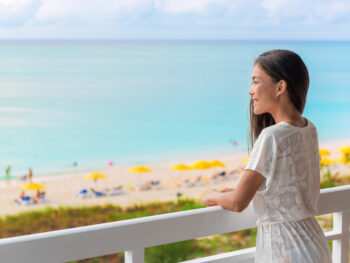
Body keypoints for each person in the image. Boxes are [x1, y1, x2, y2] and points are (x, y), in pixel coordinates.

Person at [201, 50, 331, 262]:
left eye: (256, 82)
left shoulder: (272, 136)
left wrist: (212, 195)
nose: (250, 91)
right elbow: (287, 186)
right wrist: (244, 189)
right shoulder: (309, 128)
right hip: (314, 244)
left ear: (280, 87)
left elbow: (237, 203)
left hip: (286, 251)